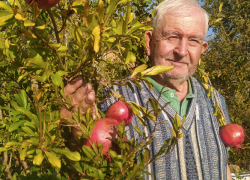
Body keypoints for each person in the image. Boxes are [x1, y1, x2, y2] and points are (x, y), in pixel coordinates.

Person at [61, 0, 232, 179]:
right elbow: (87, 170)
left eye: (193, 41)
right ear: (149, 42)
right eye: (172, 36)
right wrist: (77, 138)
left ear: (202, 49)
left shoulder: (215, 100)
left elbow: (223, 163)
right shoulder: (112, 99)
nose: (182, 51)